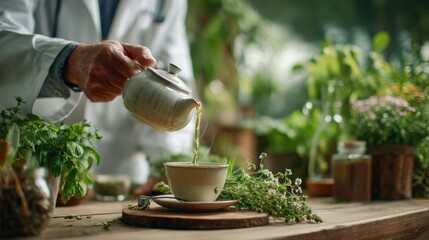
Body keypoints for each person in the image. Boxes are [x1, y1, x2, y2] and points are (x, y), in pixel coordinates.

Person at [0, 0, 196, 195]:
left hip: (124, 179)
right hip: (38, 174)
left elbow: (176, 77)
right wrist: (69, 60)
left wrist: (165, 166)